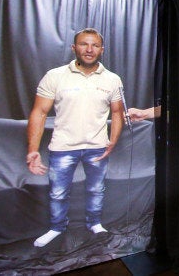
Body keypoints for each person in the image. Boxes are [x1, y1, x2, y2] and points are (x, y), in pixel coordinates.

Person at [26, 28, 124, 247]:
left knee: (96, 189)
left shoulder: (112, 79)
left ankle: (95, 224)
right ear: (74, 47)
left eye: (95, 45)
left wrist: (113, 141)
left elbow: (117, 113)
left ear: (102, 49)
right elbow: (39, 112)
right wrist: (33, 149)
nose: (89, 49)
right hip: (63, 147)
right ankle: (56, 227)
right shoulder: (55, 76)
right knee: (58, 193)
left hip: (98, 147)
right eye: (83, 44)